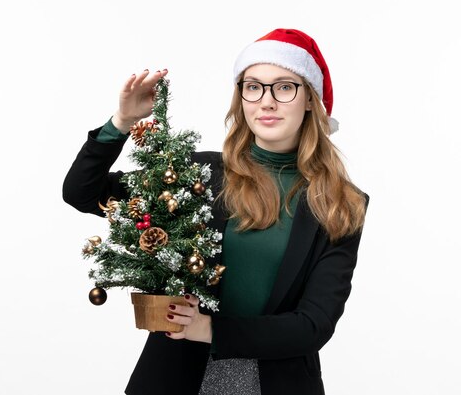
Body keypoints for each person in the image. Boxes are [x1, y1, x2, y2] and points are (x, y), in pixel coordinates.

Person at [63, 28, 368, 395]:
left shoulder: (341, 202)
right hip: (174, 375)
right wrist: (121, 123)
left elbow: (313, 325)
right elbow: (82, 192)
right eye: (253, 86)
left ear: (309, 99)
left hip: (277, 382)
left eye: (284, 87)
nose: (266, 101)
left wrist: (207, 329)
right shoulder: (197, 177)